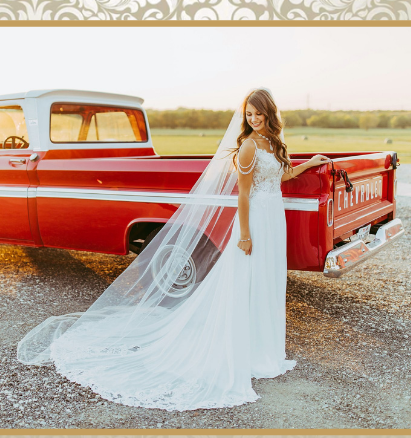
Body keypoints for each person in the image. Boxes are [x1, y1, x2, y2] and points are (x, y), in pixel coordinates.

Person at [16, 88, 331, 411]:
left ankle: (266, 350)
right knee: (247, 283)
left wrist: (311, 164)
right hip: (255, 223)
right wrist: (246, 235)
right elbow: (244, 196)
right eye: (249, 115)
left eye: (258, 115)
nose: (253, 120)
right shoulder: (248, 147)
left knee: (268, 282)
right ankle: (247, 351)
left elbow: (282, 175)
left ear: (269, 114)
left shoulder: (274, 144)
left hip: (274, 220)